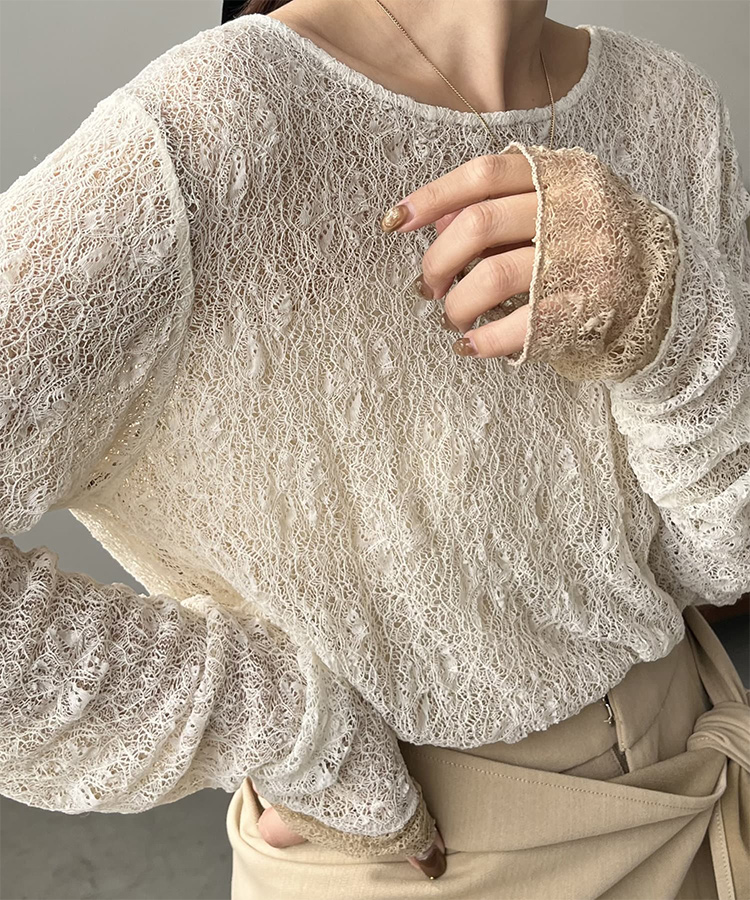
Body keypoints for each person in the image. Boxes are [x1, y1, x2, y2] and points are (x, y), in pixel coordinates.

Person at [0, 0, 747, 898]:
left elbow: (720, 557)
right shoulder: (210, 131)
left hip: (703, 761)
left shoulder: (671, 104)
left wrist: (667, 322)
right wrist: (280, 725)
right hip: (429, 855)